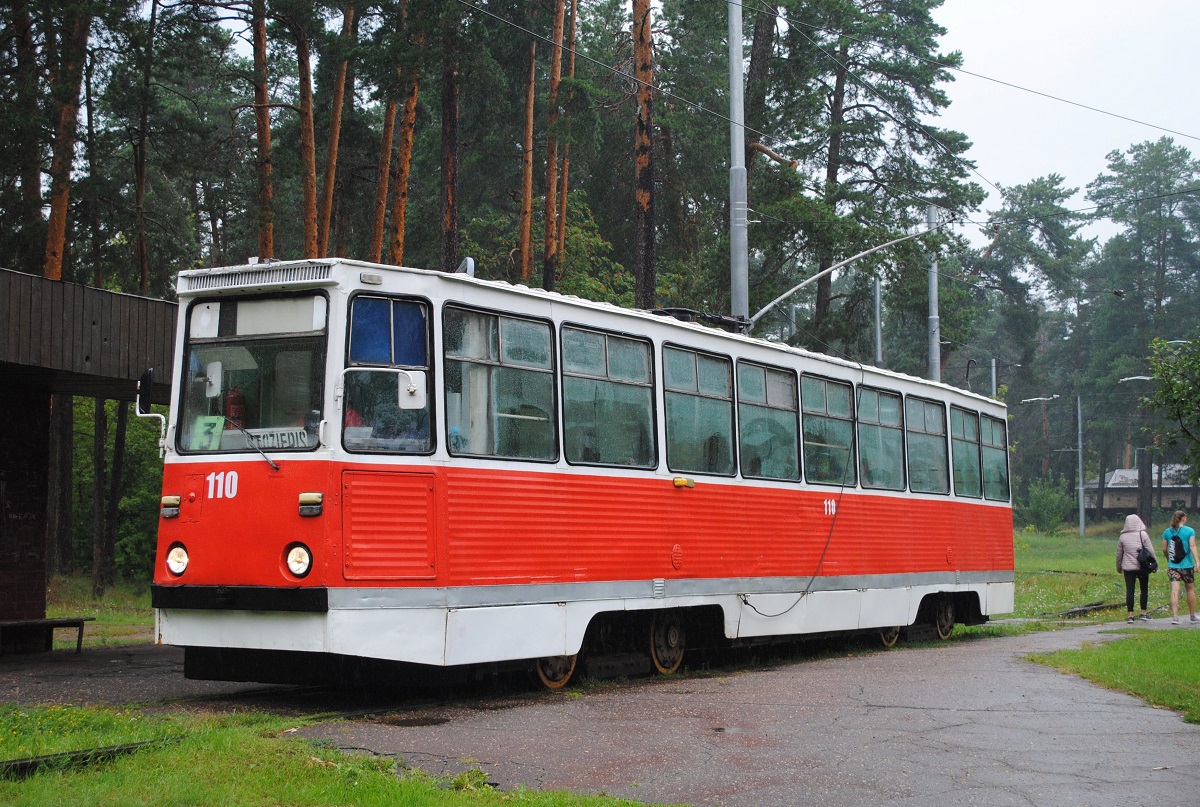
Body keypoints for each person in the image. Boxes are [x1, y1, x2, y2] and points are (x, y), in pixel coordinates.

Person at [1162, 510, 1198, 625]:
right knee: (1190, 589)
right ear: (1184, 518)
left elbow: (1164, 549)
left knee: (1175, 590)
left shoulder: (1167, 532)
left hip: (1173, 566)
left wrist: (1168, 559)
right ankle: (1192, 616)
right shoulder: (1189, 531)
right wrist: (1197, 561)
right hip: (1187, 565)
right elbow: (1192, 546)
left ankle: (1175, 617)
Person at [1116, 514, 1153, 623]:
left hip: (1128, 567)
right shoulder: (1143, 535)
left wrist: (1118, 566)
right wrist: (1154, 564)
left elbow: (1119, 554)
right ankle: (1143, 612)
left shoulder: (1122, 537)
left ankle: (1130, 615)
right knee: (1144, 589)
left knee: (1130, 590)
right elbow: (1150, 551)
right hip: (1142, 567)